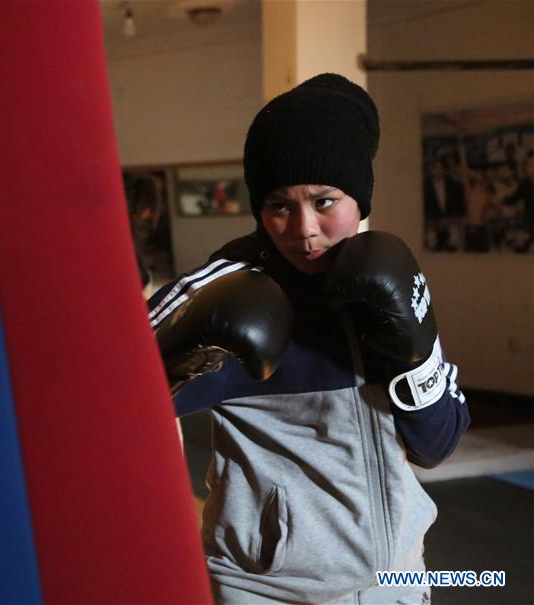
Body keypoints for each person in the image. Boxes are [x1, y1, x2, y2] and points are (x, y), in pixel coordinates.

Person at [149, 74, 469, 604]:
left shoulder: (385, 277)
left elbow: (438, 444)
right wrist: (175, 360)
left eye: (324, 201)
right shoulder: (230, 290)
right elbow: (104, 401)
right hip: (271, 590)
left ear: (360, 198)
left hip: (399, 581)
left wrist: (412, 353)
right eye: (279, 205)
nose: (303, 229)